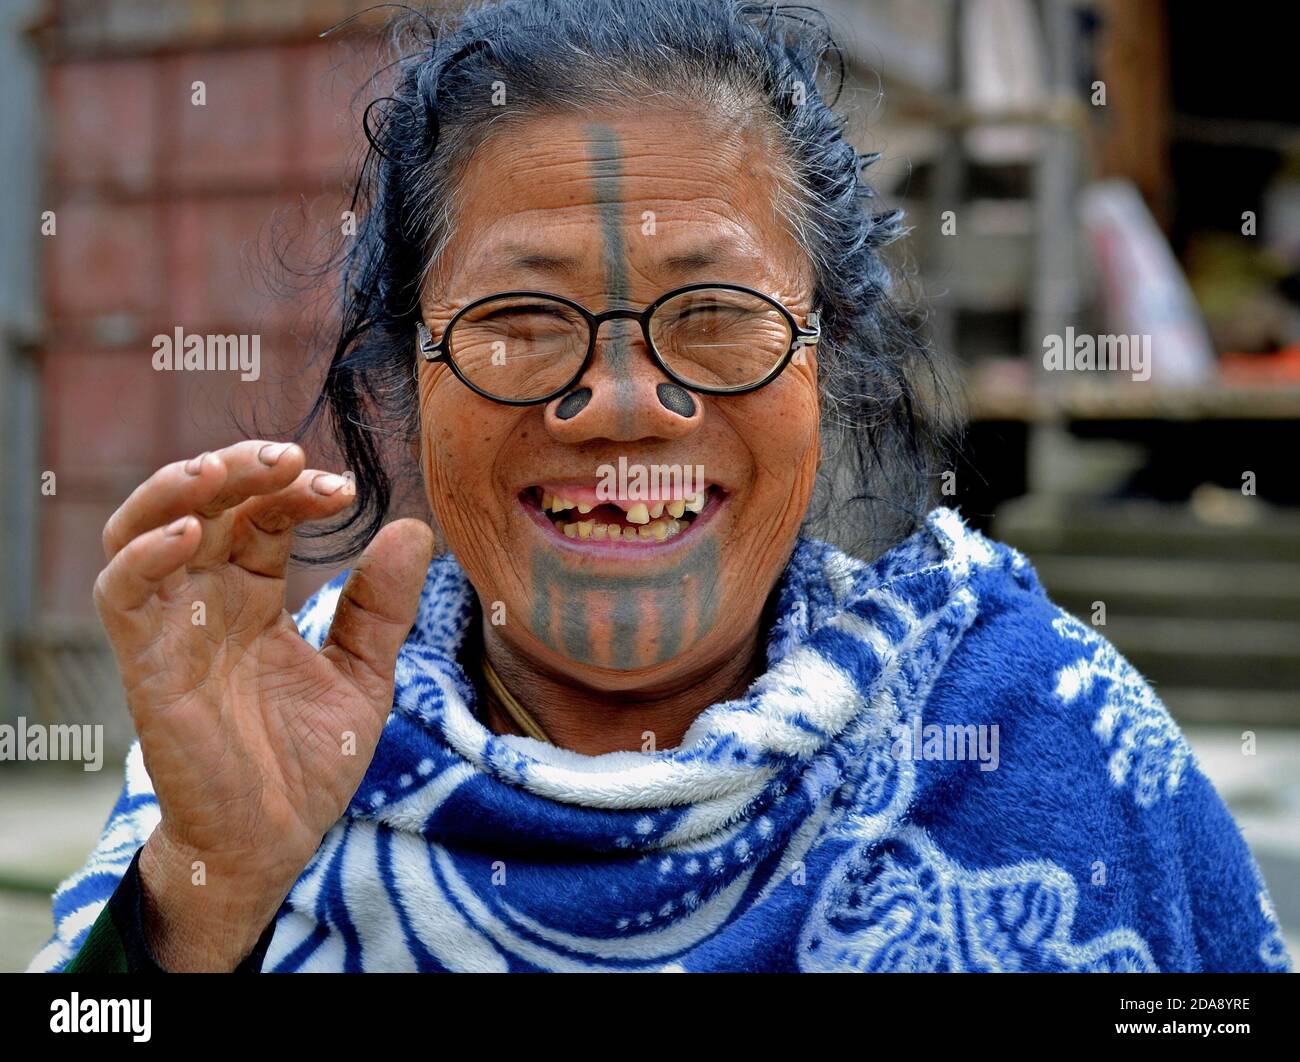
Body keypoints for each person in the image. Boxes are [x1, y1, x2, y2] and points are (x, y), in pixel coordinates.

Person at [31, 0, 1289, 973]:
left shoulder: (1053, 738)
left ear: (827, 355)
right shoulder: (268, 746)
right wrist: (207, 893)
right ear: (401, 378)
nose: (623, 402)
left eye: (715, 314)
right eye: (522, 319)